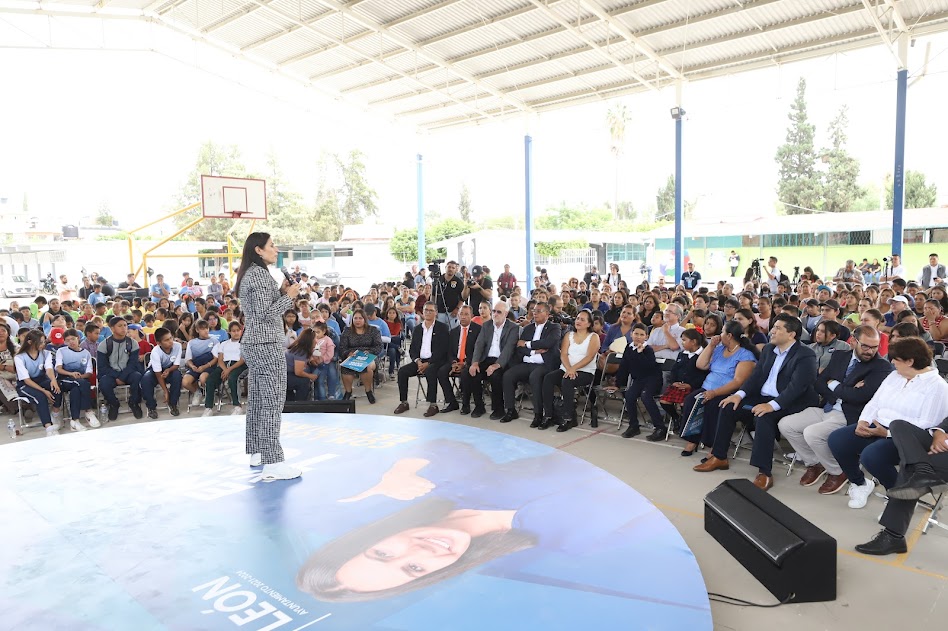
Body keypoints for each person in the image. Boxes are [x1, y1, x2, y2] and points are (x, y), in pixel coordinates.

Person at [694, 314, 818, 491]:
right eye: (773, 327)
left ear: (791, 334)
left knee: (763, 416)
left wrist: (772, 406)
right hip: (764, 396)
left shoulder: (805, 354)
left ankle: (764, 473)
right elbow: (756, 376)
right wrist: (740, 394)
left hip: (790, 401)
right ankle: (719, 456)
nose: (772, 331)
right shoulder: (768, 349)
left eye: (778, 328)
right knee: (729, 405)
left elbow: (798, 387)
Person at [827, 337, 948, 510]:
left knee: (872, 457)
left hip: (906, 439)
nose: (891, 362)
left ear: (910, 361)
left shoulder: (938, 387)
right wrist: (863, 421)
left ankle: (899, 498)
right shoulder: (894, 375)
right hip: (876, 426)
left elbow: (926, 423)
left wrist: (886, 433)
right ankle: (860, 483)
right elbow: (874, 402)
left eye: (896, 359)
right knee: (837, 440)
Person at [777, 325, 892, 495]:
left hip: (848, 415)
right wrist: (843, 390)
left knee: (812, 433)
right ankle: (814, 463)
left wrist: (834, 384)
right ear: (853, 341)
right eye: (865, 346)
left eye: (874, 347)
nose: (870, 351)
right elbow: (819, 383)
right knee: (786, 425)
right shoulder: (840, 356)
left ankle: (838, 471)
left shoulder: (881, 366)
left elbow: (860, 397)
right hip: (827, 406)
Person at [235, 232, 302, 482]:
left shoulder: (253, 274)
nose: (276, 249)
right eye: (272, 246)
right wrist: (289, 297)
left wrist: (282, 291)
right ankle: (273, 462)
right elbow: (265, 313)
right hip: (265, 343)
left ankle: (257, 452)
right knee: (272, 401)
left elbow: (262, 308)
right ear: (258, 250)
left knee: (259, 399)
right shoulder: (259, 276)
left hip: (254, 343)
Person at [854, 416, 948, 555]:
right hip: (942, 442)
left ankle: (893, 536)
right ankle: (923, 471)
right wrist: (939, 433)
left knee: (911, 464)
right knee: (898, 425)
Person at [680, 320, 759, 457]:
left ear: (729, 335)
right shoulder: (719, 349)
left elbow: (738, 381)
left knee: (714, 407)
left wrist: (715, 393)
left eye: (722, 332)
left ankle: (714, 446)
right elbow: (701, 365)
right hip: (707, 388)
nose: (719, 334)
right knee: (690, 401)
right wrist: (710, 345)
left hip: (728, 392)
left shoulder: (745, 355)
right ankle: (693, 439)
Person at [537, 309, 600, 432]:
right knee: (549, 378)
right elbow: (564, 354)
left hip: (585, 371)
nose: (578, 321)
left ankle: (569, 417)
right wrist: (569, 368)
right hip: (567, 368)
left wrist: (573, 369)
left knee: (567, 380)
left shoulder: (594, 337)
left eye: (582, 319)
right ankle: (549, 415)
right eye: (577, 318)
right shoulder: (569, 335)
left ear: (589, 323)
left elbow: (590, 357)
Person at [500, 303, 562, 425]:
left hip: (544, 365)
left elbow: (548, 343)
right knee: (508, 375)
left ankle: (538, 414)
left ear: (547, 314)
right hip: (527, 362)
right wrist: (534, 351)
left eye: (539, 311)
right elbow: (519, 347)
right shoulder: (528, 328)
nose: (535, 313)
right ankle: (510, 410)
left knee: (535, 377)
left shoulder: (554, 327)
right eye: (534, 311)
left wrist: (528, 344)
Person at [603, 323, 665, 439]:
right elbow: (624, 367)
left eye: (642, 335)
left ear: (646, 337)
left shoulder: (648, 349)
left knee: (646, 396)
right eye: (636, 333)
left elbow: (649, 367)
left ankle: (660, 427)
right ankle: (634, 426)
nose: (638, 337)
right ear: (631, 334)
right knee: (629, 396)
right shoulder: (628, 347)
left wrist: (640, 353)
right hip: (639, 379)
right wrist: (618, 384)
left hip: (652, 379)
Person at [394, 303, 449, 418]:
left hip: (435, 361)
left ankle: (433, 405)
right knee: (402, 371)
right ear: (422, 312)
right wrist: (417, 361)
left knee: (430, 371)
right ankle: (404, 402)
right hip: (419, 361)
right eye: (426, 310)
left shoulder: (442, 328)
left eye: (431, 310)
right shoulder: (417, 329)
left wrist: (428, 363)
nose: (428, 312)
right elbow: (413, 349)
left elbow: (442, 349)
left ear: (436, 312)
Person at [464, 300, 519, 419]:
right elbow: (479, 344)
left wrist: (496, 365)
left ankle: (498, 409)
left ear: (506, 313)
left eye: (499, 312)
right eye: (494, 311)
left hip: (503, 361)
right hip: (487, 358)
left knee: (495, 376)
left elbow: (508, 349)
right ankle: (479, 406)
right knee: (473, 372)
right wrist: (475, 363)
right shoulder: (487, 325)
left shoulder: (513, 328)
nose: (495, 314)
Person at [15, 329, 63, 437]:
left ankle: (55, 414)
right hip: (25, 385)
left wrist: (53, 380)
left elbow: (49, 369)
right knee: (40, 396)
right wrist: (44, 391)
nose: (43, 344)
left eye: (44, 342)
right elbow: (26, 380)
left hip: (41, 380)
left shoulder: (46, 353)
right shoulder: (19, 357)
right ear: (30, 342)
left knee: (57, 387)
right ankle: (48, 427)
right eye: (40, 342)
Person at [96, 316, 144, 421]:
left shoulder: (133, 343)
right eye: (120, 326)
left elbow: (133, 363)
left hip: (128, 372)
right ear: (112, 328)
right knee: (104, 383)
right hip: (111, 374)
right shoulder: (104, 345)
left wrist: (122, 376)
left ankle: (134, 403)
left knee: (138, 377)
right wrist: (117, 376)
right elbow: (102, 366)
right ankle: (114, 404)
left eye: (125, 325)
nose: (123, 328)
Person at [54, 328, 99, 431]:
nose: (71, 342)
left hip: (79, 381)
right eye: (68, 340)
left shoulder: (86, 353)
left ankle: (75, 421)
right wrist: (71, 374)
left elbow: (88, 372)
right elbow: (58, 369)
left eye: (73, 339)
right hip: (65, 379)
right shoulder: (61, 351)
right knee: (82, 384)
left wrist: (80, 377)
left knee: (76, 389)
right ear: (65, 341)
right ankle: (88, 410)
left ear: (78, 338)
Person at [338, 308, 382, 403]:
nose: (357, 320)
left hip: (369, 355)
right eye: (355, 318)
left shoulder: (373, 330)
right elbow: (342, 347)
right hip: (352, 355)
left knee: (367, 366)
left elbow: (379, 346)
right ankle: (348, 392)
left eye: (360, 318)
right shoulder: (347, 331)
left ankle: (368, 391)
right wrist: (348, 353)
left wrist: (370, 351)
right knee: (345, 367)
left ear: (365, 319)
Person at [141, 326, 184, 418]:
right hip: (155, 371)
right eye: (166, 340)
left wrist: (168, 370)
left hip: (170, 368)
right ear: (158, 343)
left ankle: (173, 403)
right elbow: (157, 373)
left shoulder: (177, 346)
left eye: (171, 338)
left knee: (177, 375)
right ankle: (151, 407)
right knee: (146, 379)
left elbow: (176, 365)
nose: (170, 341)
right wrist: (165, 391)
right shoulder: (155, 351)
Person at [181, 319, 222, 416]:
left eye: (207, 328)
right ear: (197, 330)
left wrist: (204, 367)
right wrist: (192, 366)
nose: (206, 331)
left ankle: (208, 396)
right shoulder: (191, 343)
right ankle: (197, 392)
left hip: (209, 366)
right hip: (195, 365)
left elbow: (216, 359)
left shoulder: (215, 341)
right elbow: (188, 359)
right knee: (185, 382)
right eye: (202, 329)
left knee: (203, 378)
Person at [285, 329, 319, 402]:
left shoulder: (299, 348)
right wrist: (311, 376)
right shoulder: (301, 351)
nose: (316, 341)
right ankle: (300, 405)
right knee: (304, 382)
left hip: (286, 374)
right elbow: (298, 372)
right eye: (315, 338)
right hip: (284, 376)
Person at [309, 321, 338, 401]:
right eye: (314, 332)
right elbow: (309, 350)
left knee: (320, 382)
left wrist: (322, 359)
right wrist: (312, 359)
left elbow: (330, 353)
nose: (316, 334)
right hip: (313, 364)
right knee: (315, 382)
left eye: (318, 332)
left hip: (323, 364)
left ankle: (322, 399)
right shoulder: (312, 339)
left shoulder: (328, 340)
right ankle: (316, 398)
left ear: (324, 331)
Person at [432, 261, 464, 330]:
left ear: (456, 270)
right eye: (449, 267)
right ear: (445, 267)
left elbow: (463, 298)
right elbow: (433, 295)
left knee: (452, 332)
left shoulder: (459, 282)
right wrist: (434, 309)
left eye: (453, 268)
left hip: (452, 312)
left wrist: (457, 309)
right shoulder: (438, 279)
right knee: (440, 332)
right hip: (439, 312)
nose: (451, 269)